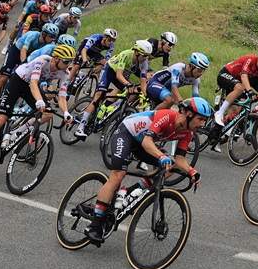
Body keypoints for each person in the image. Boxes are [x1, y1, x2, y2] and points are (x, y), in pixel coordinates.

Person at [86, 97, 212, 243]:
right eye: (201, 119)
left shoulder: (187, 133)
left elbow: (180, 160)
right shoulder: (167, 116)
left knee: (172, 165)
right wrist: (161, 156)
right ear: (188, 114)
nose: (202, 124)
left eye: (205, 120)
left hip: (142, 143)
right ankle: (94, 226)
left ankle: (130, 192)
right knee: (118, 175)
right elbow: (147, 142)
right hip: (126, 133)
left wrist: (192, 172)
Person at [0, 43, 77, 173]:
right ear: (56, 59)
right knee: (1, 118)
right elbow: (33, 82)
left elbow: (61, 96)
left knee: (48, 114)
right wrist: (39, 101)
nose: (68, 65)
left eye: (70, 62)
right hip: (18, 82)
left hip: (30, 88)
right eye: (66, 61)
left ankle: (16, 133)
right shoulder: (43, 60)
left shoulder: (65, 73)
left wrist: (66, 112)